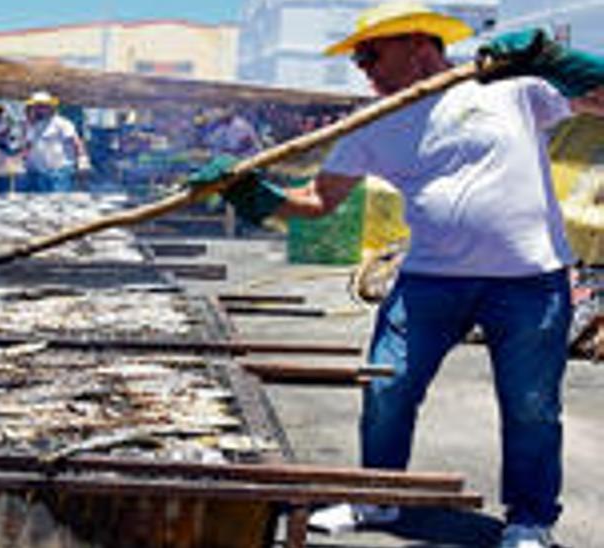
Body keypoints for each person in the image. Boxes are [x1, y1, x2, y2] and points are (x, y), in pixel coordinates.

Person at [188, 3, 604, 546]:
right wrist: (254, 197)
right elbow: (318, 199)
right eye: (359, 58)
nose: (363, 68)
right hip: (429, 281)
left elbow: (600, 100)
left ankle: (529, 522)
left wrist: (554, 58)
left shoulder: (507, 87)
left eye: (371, 53)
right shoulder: (372, 124)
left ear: (419, 45)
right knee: (387, 385)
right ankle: (375, 499)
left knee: (531, 406)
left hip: (528, 281)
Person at [19, 91, 86, 193]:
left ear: (50, 107)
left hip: (59, 172)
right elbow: (28, 145)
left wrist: (82, 159)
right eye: (35, 106)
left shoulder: (61, 123)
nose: (38, 109)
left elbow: (75, 141)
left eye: (41, 106)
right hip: (38, 172)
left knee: (58, 201)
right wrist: (24, 160)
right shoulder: (32, 125)